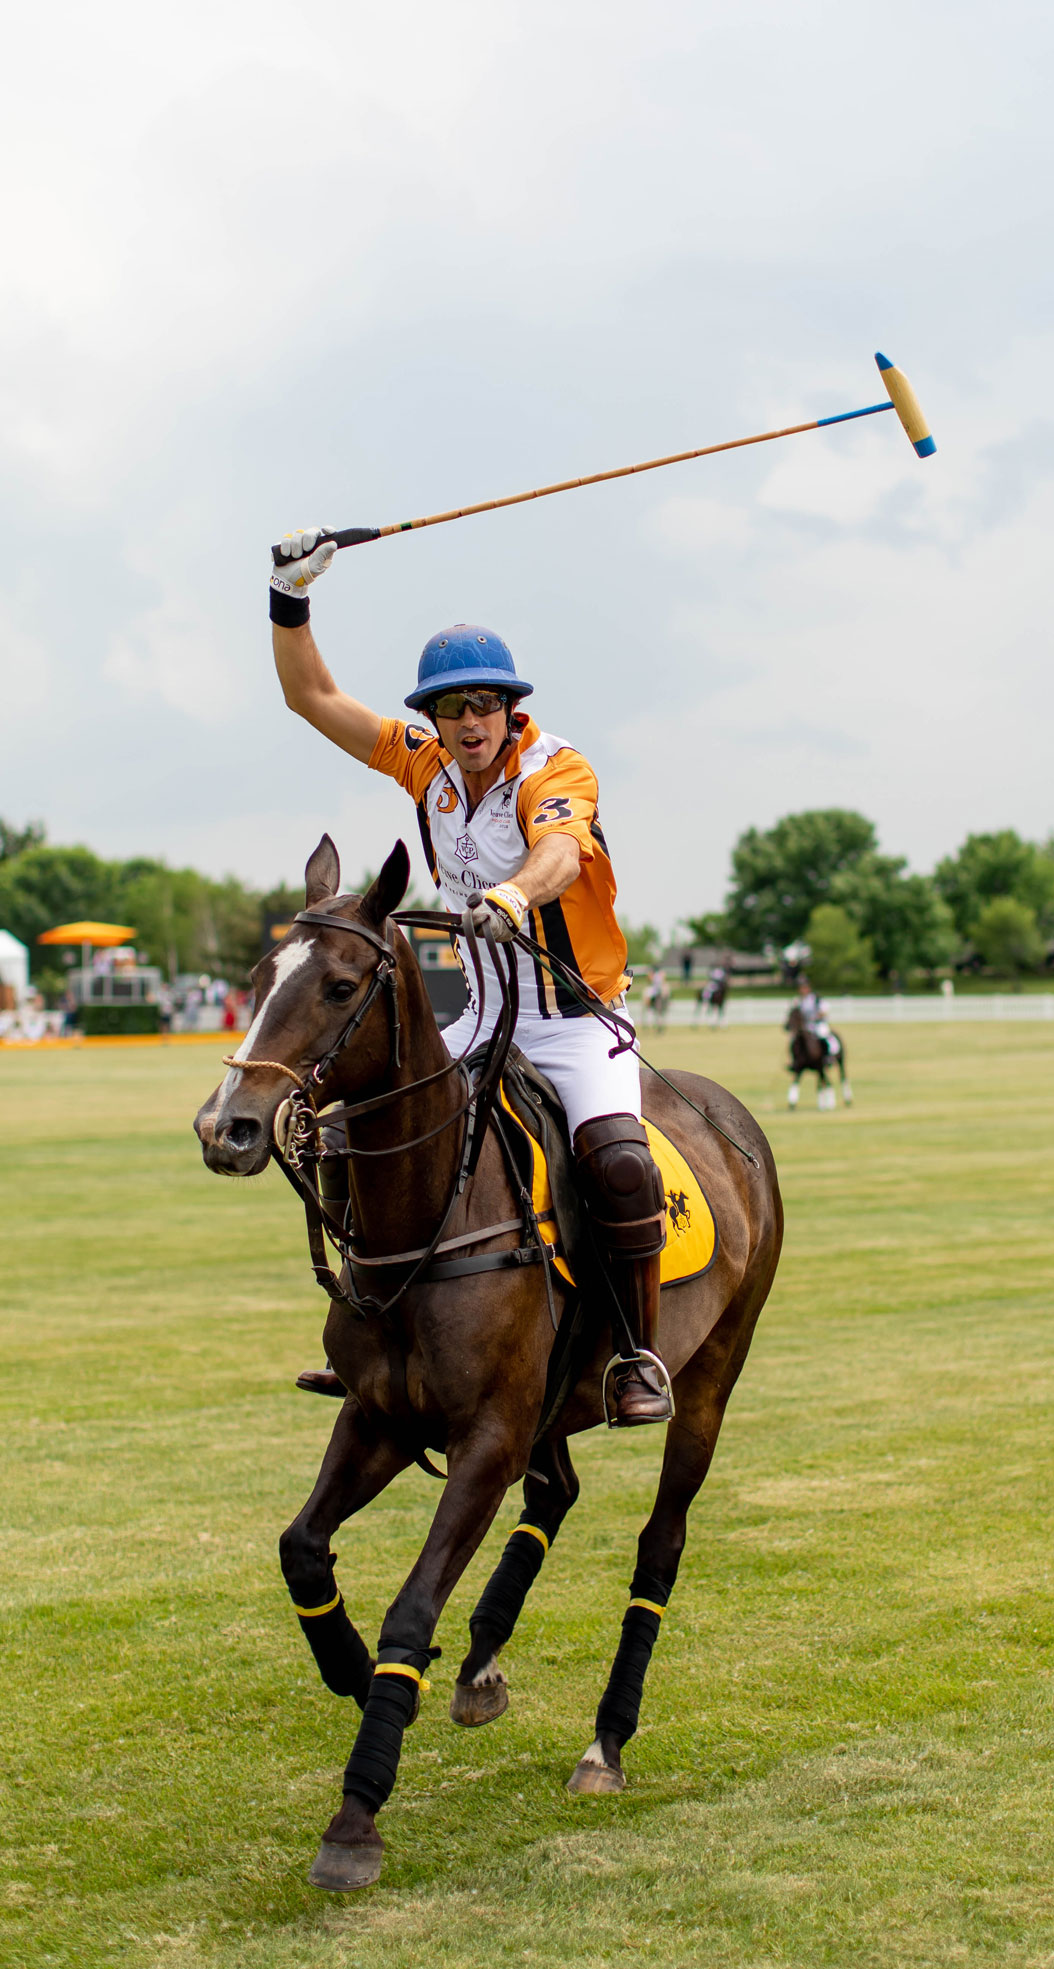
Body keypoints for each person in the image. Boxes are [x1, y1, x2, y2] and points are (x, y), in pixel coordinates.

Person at [266, 525, 671, 1426]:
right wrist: (289, 595)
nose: (473, 721)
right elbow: (313, 696)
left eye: (488, 704)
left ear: (511, 709)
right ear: (437, 718)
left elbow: (562, 850)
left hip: (571, 1019)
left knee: (618, 1163)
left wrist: (516, 897)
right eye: (456, 709)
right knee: (347, 1133)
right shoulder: (425, 762)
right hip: (476, 1012)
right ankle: (370, 1334)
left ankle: (637, 1355)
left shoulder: (553, 766)